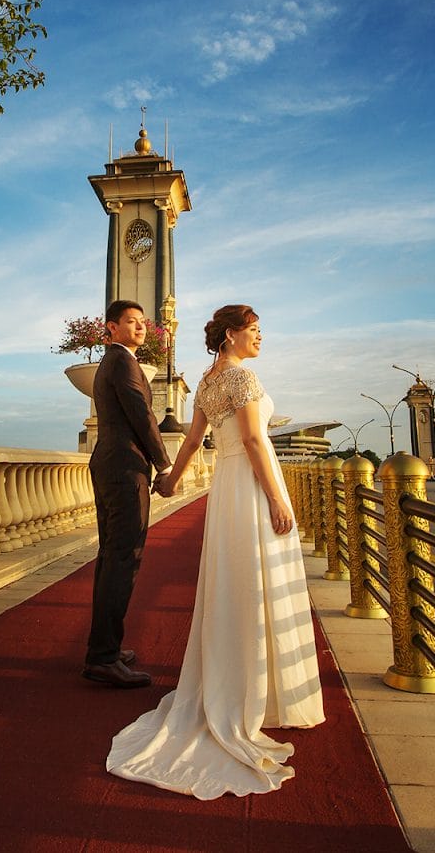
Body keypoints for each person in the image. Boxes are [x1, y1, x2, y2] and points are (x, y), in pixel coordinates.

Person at [106, 304, 324, 799]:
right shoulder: (243, 379)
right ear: (232, 335)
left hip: (226, 490)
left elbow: (191, 442)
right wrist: (274, 497)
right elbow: (251, 439)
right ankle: (260, 694)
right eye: (255, 330)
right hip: (249, 485)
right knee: (259, 578)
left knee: (236, 579)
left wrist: (171, 481)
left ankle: (240, 686)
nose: (261, 338)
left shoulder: (205, 383)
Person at [84, 300, 172, 689]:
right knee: (123, 559)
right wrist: (165, 464)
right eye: (131, 322)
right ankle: (103, 657)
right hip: (124, 469)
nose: (140, 328)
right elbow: (140, 413)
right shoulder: (121, 362)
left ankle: (106, 648)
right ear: (111, 328)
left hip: (111, 464)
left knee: (111, 559)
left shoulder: (117, 361)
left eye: (142, 323)